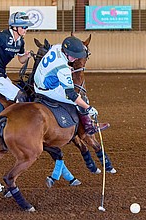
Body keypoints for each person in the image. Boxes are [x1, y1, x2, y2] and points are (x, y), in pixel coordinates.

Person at [34, 36, 109, 187]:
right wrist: (88, 108)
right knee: (79, 101)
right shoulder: (63, 68)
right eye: (74, 56)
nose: (75, 59)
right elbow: (72, 95)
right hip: (48, 90)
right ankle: (89, 126)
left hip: (38, 82)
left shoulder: (55, 47)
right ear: (67, 53)